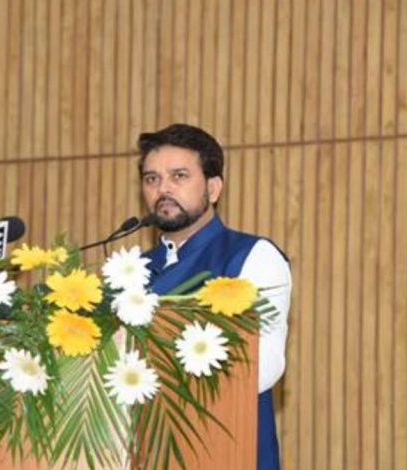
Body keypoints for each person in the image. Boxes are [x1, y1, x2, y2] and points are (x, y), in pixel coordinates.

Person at [137, 123, 291, 470]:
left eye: (178, 176)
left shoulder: (252, 256)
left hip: (226, 451)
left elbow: (263, 366)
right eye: (151, 179)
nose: (163, 188)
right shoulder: (130, 272)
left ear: (213, 187)